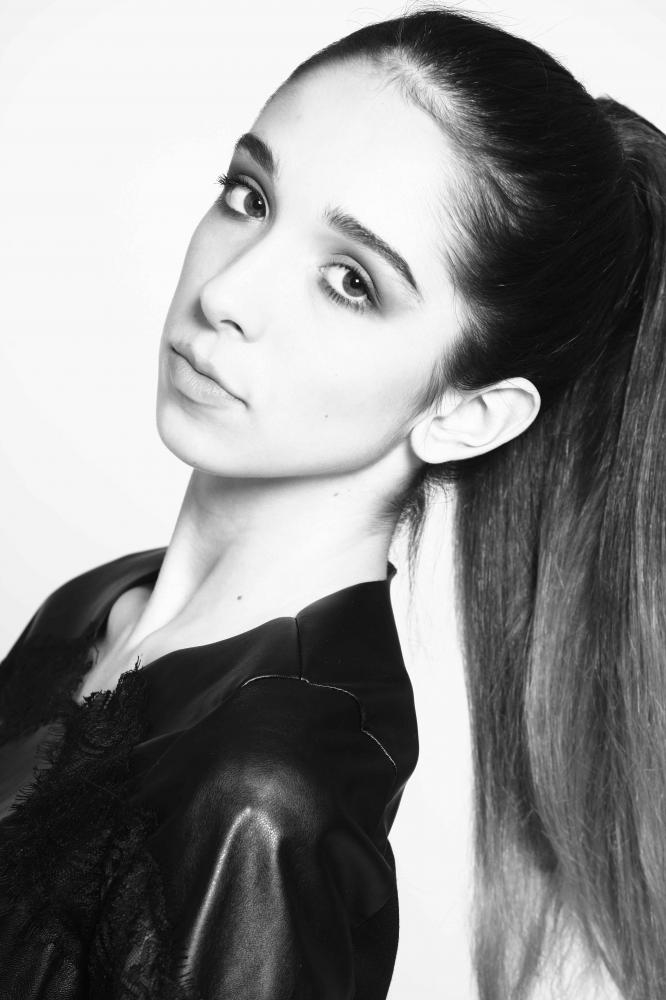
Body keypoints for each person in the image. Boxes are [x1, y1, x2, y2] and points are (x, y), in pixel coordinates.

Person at [1, 3, 664, 998]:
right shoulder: (99, 606)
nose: (227, 292)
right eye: (249, 196)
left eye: (351, 281)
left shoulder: (263, 800)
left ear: (467, 415)